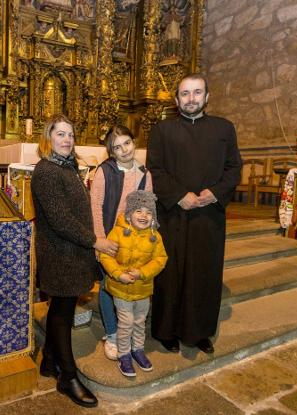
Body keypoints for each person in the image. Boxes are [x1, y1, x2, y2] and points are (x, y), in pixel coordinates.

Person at [147, 73, 242, 355]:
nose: (191, 99)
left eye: (197, 93)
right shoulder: (162, 130)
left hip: (208, 215)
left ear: (207, 97)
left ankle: (200, 331)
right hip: (173, 215)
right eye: (185, 94)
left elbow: (234, 168)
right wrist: (179, 196)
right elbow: (155, 169)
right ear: (177, 100)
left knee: (204, 273)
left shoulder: (224, 128)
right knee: (171, 273)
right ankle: (166, 331)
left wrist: (215, 193)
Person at [31, 114, 117, 408]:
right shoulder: (46, 171)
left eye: (70, 134)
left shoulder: (66, 167)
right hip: (60, 252)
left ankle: (49, 361)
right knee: (62, 313)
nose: (67, 139)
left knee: (61, 306)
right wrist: (96, 242)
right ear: (48, 138)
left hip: (72, 251)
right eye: (60, 134)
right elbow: (60, 220)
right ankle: (67, 377)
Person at [89, 125, 153, 361]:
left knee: (130, 284)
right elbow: (95, 206)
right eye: (117, 147)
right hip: (109, 238)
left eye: (127, 143)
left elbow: (147, 208)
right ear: (111, 152)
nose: (124, 149)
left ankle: (132, 334)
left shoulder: (145, 174)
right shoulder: (104, 171)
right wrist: (100, 240)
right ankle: (113, 334)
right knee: (109, 284)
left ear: (133, 143)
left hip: (133, 240)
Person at [100, 190, 167, 377]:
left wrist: (143, 273)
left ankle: (138, 349)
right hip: (121, 289)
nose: (143, 216)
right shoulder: (118, 232)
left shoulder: (155, 237)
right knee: (126, 322)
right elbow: (106, 255)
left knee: (139, 321)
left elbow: (160, 259)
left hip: (143, 290)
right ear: (129, 214)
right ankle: (124, 354)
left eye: (148, 212)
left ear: (153, 217)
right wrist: (118, 274)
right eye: (139, 211)